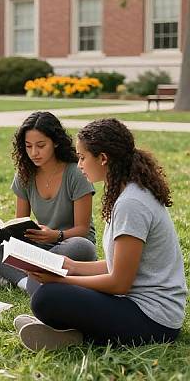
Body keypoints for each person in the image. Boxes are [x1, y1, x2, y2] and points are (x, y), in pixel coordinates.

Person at [14, 118, 187, 351]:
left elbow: (119, 283)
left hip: (154, 321)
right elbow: (118, 265)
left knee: (48, 297)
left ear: (103, 158)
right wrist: (71, 265)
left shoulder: (132, 203)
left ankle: (73, 335)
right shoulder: (126, 192)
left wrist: (61, 279)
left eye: (83, 157)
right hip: (135, 306)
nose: (79, 164)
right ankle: (68, 334)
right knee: (49, 293)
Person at [0, 111, 96, 293]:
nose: (34, 152)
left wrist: (56, 235)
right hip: (38, 245)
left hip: (68, 246)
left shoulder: (75, 173)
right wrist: (3, 229)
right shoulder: (25, 173)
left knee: (83, 247)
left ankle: (12, 274)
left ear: (56, 142)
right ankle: (26, 282)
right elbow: (20, 224)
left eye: (41, 145)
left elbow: (82, 229)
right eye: (28, 146)